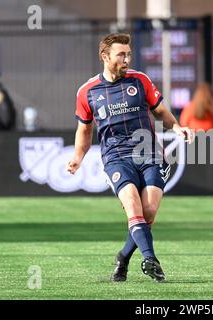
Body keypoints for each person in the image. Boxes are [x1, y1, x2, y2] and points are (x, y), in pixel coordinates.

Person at [66, 33, 194, 282]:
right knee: (133, 207)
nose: (126, 59)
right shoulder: (87, 92)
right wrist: (77, 157)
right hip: (115, 157)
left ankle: (123, 258)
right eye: (121, 55)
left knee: (148, 212)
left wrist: (177, 128)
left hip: (150, 154)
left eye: (128, 54)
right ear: (105, 57)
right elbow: (84, 130)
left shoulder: (141, 80)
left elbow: (161, 112)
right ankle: (151, 259)